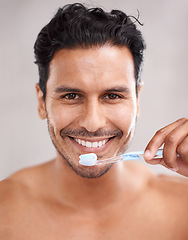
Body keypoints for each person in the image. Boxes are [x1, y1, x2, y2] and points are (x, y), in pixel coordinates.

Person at [0, 3, 188, 239]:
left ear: (137, 101)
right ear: (42, 102)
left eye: (112, 96)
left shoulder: (183, 210)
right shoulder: (4, 213)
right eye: (71, 96)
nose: (92, 123)